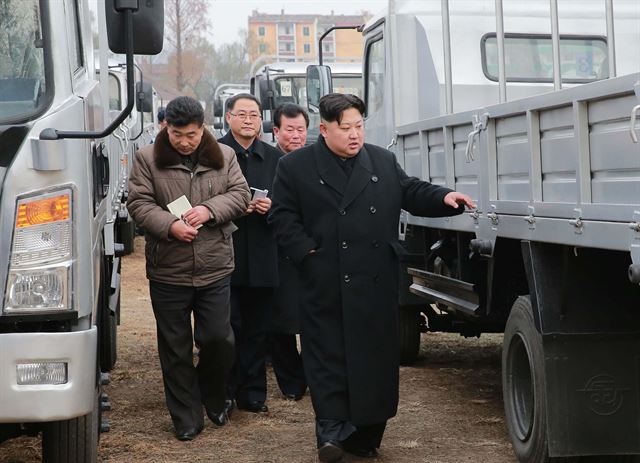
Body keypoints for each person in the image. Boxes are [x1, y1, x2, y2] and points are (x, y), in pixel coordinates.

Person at [268, 93, 475, 462]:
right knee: (327, 357)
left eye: (359, 126)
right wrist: (307, 253)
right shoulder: (295, 166)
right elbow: (282, 217)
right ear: (324, 129)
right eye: (345, 127)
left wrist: (444, 197)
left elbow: (410, 190)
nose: (354, 135)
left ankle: (365, 434)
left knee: (374, 361)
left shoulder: (381, 159)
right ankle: (330, 432)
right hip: (325, 281)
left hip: (374, 281)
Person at [127, 96, 250, 441]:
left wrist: (210, 210)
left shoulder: (224, 157)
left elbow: (240, 195)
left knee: (218, 339)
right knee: (175, 346)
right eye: (177, 134)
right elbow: (138, 202)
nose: (184, 142)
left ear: (203, 128)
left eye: (192, 135)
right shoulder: (147, 159)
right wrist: (169, 225)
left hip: (215, 266)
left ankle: (211, 394)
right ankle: (186, 417)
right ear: (166, 127)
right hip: (169, 269)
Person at [218, 93, 282, 414]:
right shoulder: (214, 154)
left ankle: (254, 393)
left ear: (261, 120)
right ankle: (225, 391)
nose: (248, 120)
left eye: (254, 115)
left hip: (262, 255)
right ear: (228, 117)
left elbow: (289, 205)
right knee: (227, 328)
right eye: (241, 114)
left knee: (258, 330)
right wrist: (237, 208)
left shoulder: (275, 157)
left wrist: (272, 207)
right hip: (223, 256)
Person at [269, 103, 309, 401]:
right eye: (289, 130)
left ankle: (312, 375)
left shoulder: (315, 161)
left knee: (312, 320)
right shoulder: (268, 161)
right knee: (280, 323)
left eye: (301, 130)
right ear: (276, 131)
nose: (296, 136)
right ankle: (291, 383)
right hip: (273, 253)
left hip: (309, 253)